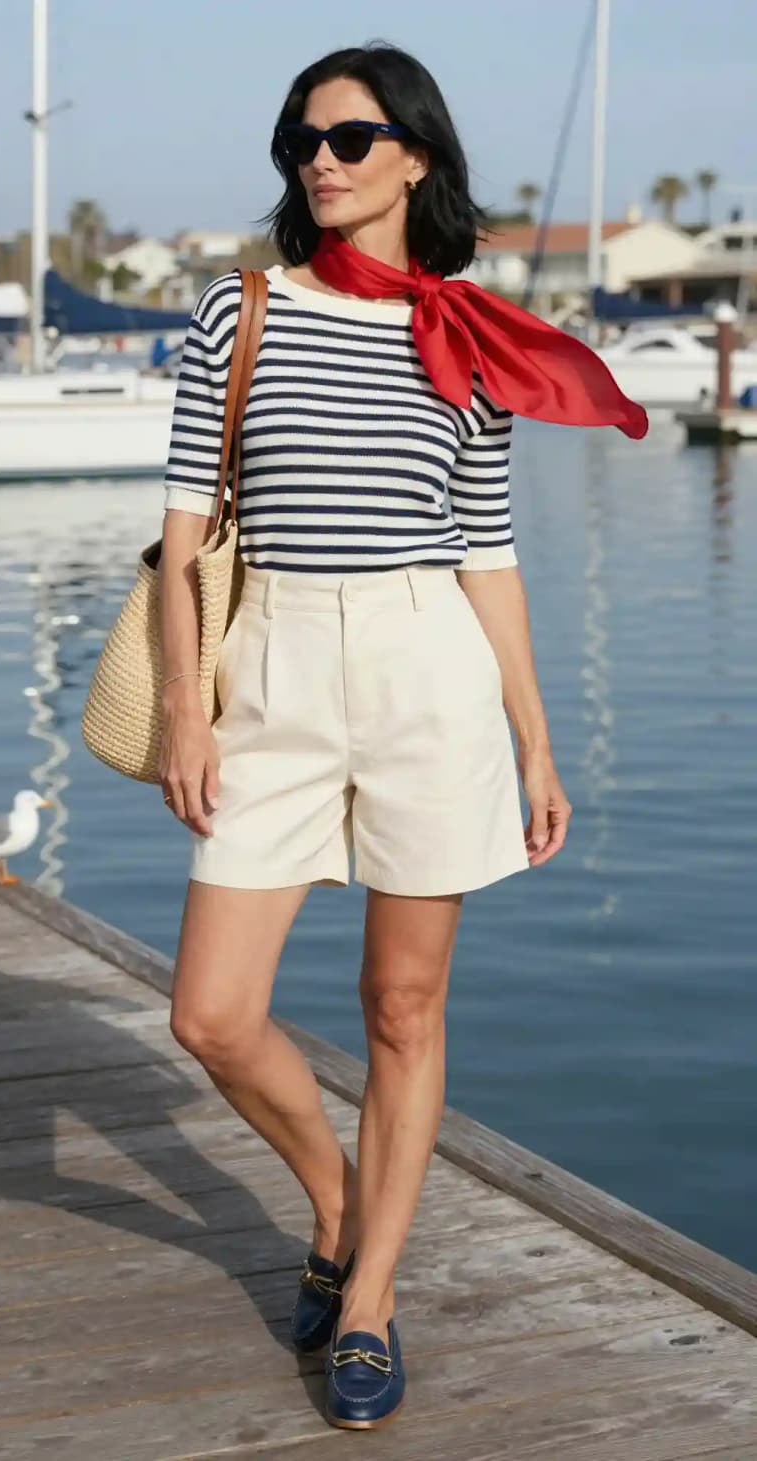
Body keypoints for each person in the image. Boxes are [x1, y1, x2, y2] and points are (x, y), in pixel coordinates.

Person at [157, 42, 644, 1431]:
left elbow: (487, 548)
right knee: (211, 1011)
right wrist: (188, 703)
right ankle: (336, 1200)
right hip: (277, 669)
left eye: (354, 138)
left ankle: (368, 1296)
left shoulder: (471, 332)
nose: (322, 160)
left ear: (415, 158)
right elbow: (188, 526)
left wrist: (537, 741)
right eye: (305, 139)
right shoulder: (241, 310)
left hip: (432, 667)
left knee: (402, 1007)